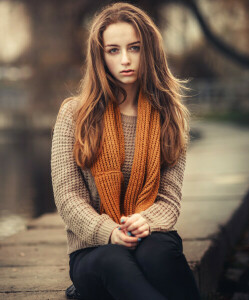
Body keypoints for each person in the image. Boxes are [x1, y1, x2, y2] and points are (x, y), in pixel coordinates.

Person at [51, 2, 201, 300]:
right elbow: (68, 197)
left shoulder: (168, 116)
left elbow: (169, 199)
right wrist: (108, 232)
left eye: (134, 48)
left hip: (149, 234)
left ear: (150, 51)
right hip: (93, 249)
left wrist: (146, 220)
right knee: (114, 260)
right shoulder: (74, 115)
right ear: (100, 56)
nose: (125, 60)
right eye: (113, 50)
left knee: (157, 255)